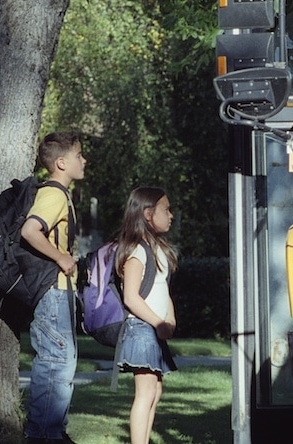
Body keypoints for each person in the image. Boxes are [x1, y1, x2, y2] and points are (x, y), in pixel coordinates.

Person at [20, 132, 85, 444]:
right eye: (78, 156)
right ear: (61, 163)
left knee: (62, 361)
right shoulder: (54, 195)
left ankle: (50, 430)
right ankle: (43, 434)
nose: (84, 161)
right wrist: (60, 257)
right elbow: (30, 230)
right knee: (56, 361)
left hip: (61, 290)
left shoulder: (61, 195)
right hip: (53, 290)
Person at [114, 187, 179, 444]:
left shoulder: (156, 248)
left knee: (155, 391)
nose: (171, 215)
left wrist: (169, 319)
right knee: (146, 392)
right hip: (141, 329)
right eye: (166, 209)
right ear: (148, 214)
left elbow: (163, 290)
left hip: (152, 329)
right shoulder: (136, 250)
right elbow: (131, 297)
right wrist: (158, 322)